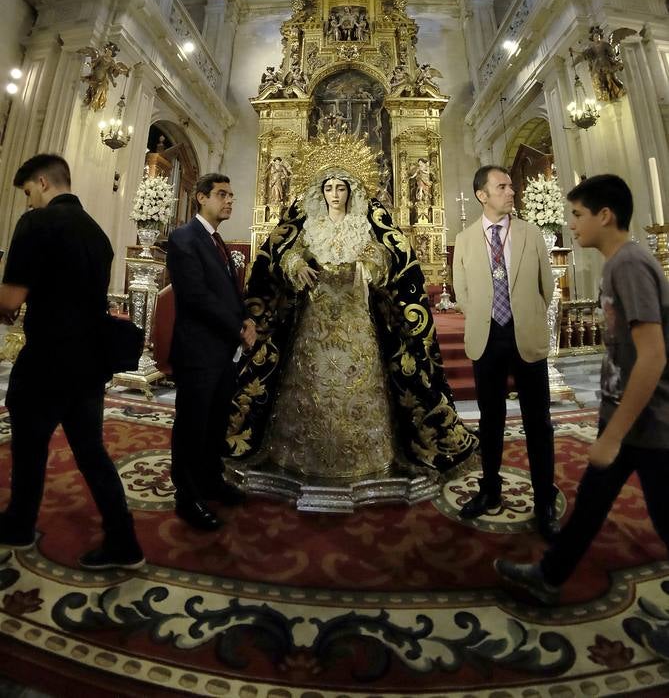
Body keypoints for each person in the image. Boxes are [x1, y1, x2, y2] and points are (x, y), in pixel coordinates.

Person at [225, 129, 477, 505]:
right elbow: (283, 253)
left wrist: (368, 265)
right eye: (329, 189)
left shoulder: (365, 221)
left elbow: (387, 254)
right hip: (315, 319)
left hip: (357, 319)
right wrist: (297, 266)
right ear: (320, 193)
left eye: (342, 188)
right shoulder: (309, 223)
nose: (335, 195)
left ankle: (369, 456)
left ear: (352, 192)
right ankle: (300, 456)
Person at [495, 174, 669, 603]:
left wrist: (612, 434)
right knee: (591, 502)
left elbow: (652, 355)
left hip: (651, 424)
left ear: (604, 215)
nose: (570, 224)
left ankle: (549, 574)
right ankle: (550, 575)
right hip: (628, 418)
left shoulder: (629, 265)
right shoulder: (618, 265)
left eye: (577, 215)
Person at [0, 154, 144, 570]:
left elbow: (11, 299)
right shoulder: (98, 234)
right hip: (89, 361)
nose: (27, 203)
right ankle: (124, 540)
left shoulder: (37, 224)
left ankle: (19, 525)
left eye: (28, 193)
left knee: (29, 446)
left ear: (42, 182)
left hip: (47, 358)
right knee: (90, 451)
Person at [452, 165, 558, 540]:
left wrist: (523, 316)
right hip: (487, 337)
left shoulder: (531, 234)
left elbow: (547, 287)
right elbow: (461, 292)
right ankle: (490, 488)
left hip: (524, 334)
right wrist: (486, 316)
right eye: (502, 186)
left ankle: (544, 499)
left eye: (511, 186)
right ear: (482, 195)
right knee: (490, 418)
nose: (511, 191)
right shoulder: (464, 239)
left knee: (538, 421)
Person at [167, 174, 256, 531]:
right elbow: (196, 296)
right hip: (198, 349)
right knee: (192, 424)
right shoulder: (184, 238)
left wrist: (246, 319)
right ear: (201, 198)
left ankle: (210, 480)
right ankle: (187, 497)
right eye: (222, 194)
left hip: (223, 351)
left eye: (232, 195)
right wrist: (236, 328)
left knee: (217, 420)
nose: (230, 200)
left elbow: (229, 293)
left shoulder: (217, 241)